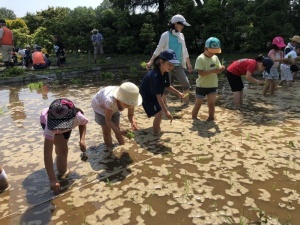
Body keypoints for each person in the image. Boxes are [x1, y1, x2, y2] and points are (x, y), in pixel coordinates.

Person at [40, 98, 88, 194]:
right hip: (47, 122)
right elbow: (47, 154)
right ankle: (62, 174)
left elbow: (82, 124)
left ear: (73, 117)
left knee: (61, 148)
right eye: (58, 126)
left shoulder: (78, 117)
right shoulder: (50, 126)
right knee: (63, 149)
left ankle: (59, 154)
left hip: (67, 128)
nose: (60, 128)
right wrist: (53, 179)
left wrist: (82, 139)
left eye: (63, 125)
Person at [146, 14, 192, 106]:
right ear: (175, 24)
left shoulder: (181, 36)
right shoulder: (165, 35)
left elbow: (184, 50)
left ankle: (186, 103)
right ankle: (163, 104)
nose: (183, 26)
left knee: (186, 84)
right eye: (181, 24)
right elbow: (159, 49)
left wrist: (189, 63)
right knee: (166, 86)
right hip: (167, 65)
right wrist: (151, 61)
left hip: (178, 65)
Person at [140, 49, 184, 134]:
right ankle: (156, 133)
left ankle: (157, 129)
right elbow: (158, 96)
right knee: (159, 113)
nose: (171, 67)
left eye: (172, 65)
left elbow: (167, 86)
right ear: (161, 62)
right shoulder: (155, 76)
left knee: (159, 112)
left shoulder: (165, 72)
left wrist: (178, 93)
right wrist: (166, 111)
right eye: (169, 64)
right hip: (147, 97)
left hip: (154, 95)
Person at [91, 82, 142, 149]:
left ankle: (123, 146)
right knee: (106, 130)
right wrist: (119, 132)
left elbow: (130, 115)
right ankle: (109, 149)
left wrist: (133, 122)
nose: (129, 106)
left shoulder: (131, 99)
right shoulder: (110, 101)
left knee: (117, 127)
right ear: (120, 99)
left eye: (131, 104)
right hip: (100, 106)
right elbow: (108, 120)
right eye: (127, 104)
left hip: (114, 106)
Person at [192, 37, 225, 121]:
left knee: (211, 104)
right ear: (205, 48)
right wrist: (213, 71)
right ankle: (194, 118)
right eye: (211, 52)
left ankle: (211, 118)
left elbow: (218, 70)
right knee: (198, 104)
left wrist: (221, 69)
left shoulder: (215, 58)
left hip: (213, 85)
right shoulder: (200, 58)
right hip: (201, 85)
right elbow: (201, 73)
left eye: (215, 52)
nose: (212, 54)